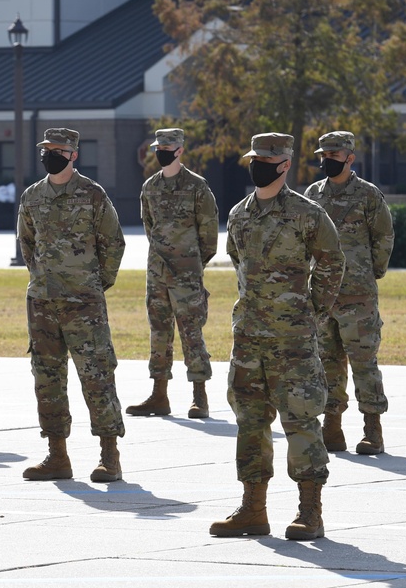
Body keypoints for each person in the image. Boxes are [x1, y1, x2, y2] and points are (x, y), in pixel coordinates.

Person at [210, 132, 344, 541]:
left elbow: (332, 263)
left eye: (267, 159)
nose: (259, 165)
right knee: (249, 421)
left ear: (285, 165)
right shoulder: (239, 214)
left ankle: (310, 511)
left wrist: (311, 310)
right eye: (255, 158)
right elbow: (238, 263)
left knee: (301, 419)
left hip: (293, 339)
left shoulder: (307, 213)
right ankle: (253, 510)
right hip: (249, 335)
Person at [18, 128, 127, 483]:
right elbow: (26, 243)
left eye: (58, 150)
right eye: (46, 149)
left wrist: (96, 283)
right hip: (42, 302)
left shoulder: (92, 195)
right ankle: (57, 455)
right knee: (47, 379)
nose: (50, 154)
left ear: (73, 154)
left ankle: (109, 455)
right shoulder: (32, 196)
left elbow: (113, 242)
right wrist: (41, 279)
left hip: (84, 304)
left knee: (96, 377)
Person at [304, 131, 394, 454]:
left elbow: (384, 237)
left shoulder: (368, 195)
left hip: (358, 296)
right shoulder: (313, 194)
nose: (326, 159)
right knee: (327, 362)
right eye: (323, 155)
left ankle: (373, 429)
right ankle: (333, 427)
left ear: (349, 158)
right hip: (324, 296)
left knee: (363, 362)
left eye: (333, 155)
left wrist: (372, 273)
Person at [128, 128, 218, 419]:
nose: (161, 152)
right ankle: (159, 395)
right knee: (159, 333)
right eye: (158, 147)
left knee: (191, 333)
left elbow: (208, 234)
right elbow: (149, 227)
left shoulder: (197, 186)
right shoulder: (150, 187)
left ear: (179, 150)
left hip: (186, 273)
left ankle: (199, 397)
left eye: (167, 148)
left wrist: (192, 264)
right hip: (157, 272)